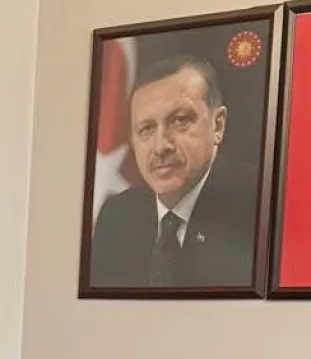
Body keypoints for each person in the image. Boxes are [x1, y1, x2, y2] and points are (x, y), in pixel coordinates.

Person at [88, 55, 259, 289]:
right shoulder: (117, 217)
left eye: (179, 120)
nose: (161, 146)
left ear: (217, 125)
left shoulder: (261, 204)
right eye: (147, 129)